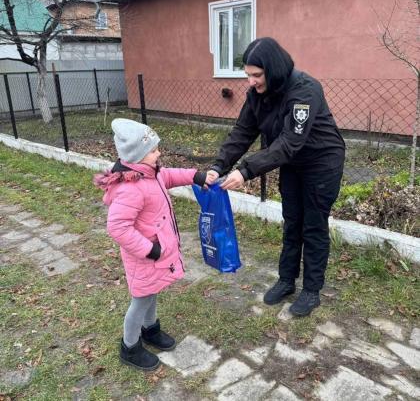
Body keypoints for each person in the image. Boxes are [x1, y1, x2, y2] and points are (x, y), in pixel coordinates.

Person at [207, 37, 345, 317]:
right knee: (292, 220)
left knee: (313, 226)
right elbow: (243, 132)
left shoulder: (305, 91)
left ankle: (311, 290)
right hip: (292, 163)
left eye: (257, 75)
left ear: (275, 69)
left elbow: (289, 142)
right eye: (248, 75)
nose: (251, 82)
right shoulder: (257, 94)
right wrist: (219, 165)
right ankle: (286, 280)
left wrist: (246, 171)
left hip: (322, 162)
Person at [94, 118, 208, 371]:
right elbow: (117, 227)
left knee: (151, 293)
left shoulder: (150, 174)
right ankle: (130, 347)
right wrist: (150, 249)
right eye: (154, 150)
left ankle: (150, 330)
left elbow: (170, 175)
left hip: (154, 257)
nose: (159, 152)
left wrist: (196, 176)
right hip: (145, 256)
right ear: (138, 155)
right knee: (141, 301)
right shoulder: (131, 188)